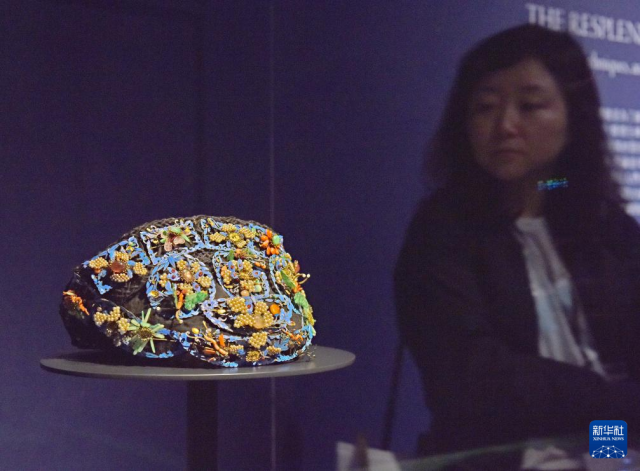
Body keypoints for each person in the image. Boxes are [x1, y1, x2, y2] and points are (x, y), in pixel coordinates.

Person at [394, 24, 640, 459]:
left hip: (606, 444)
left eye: (530, 106)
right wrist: (616, 402)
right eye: (485, 107)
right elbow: (471, 382)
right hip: (501, 458)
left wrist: (618, 433)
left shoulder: (604, 224)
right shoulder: (443, 230)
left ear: (573, 117)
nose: (506, 125)